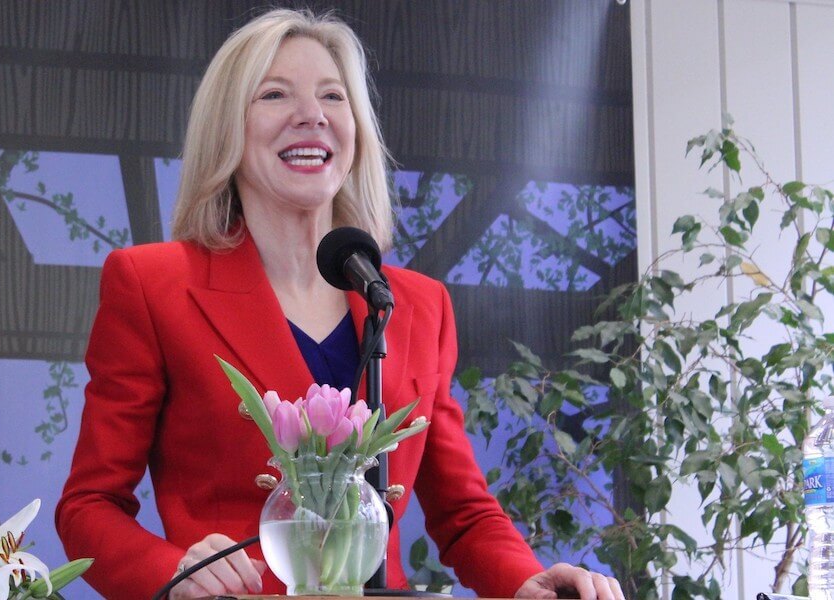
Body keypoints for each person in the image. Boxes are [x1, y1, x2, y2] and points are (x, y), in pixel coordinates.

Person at [56, 8, 624, 600]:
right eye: (275, 94)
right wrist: (173, 572)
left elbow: (463, 513)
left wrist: (528, 581)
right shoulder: (152, 285)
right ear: (227, 127)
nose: (313, 115)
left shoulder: (418, 305)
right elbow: (88, 506)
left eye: (333, 96)